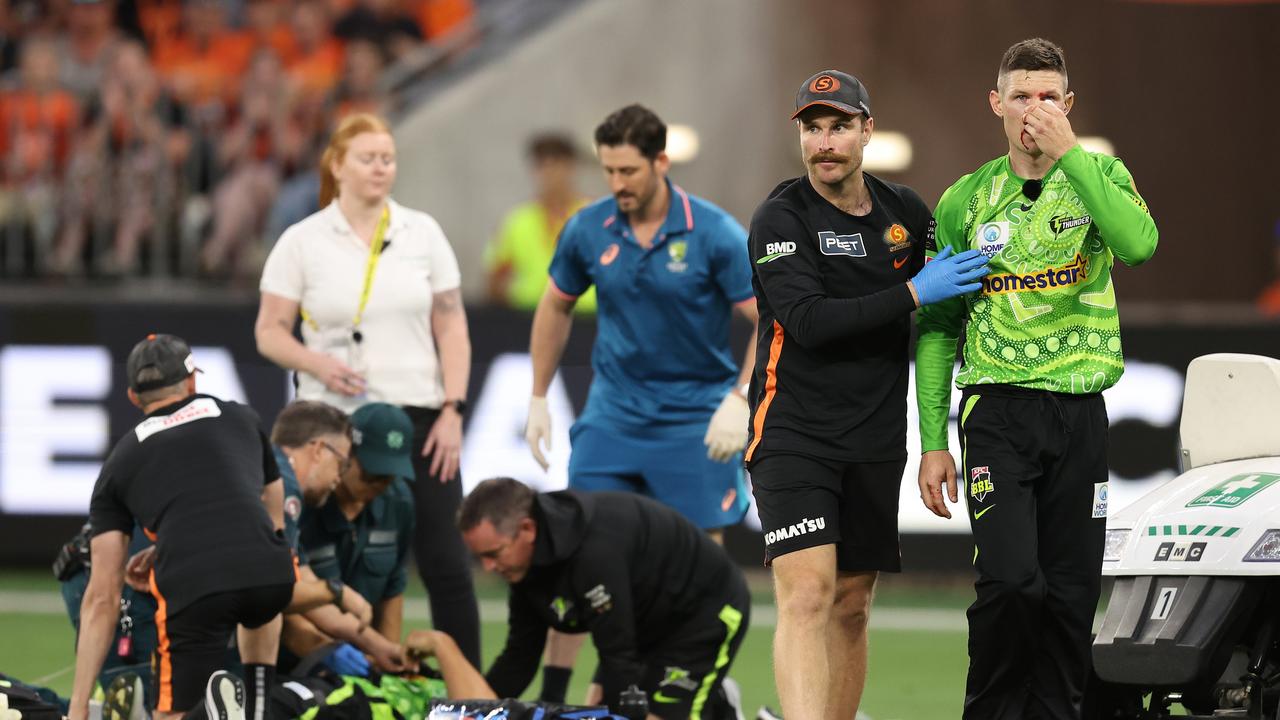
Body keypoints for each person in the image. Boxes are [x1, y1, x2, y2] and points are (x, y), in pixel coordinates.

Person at [915, 38, 1158, 720]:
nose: (1034, 109)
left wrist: (1072, 153)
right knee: (1014, 583)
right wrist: (934, 439)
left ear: (1069, 105)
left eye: (1048, 96)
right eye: (1020, 95)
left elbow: (1139, 246)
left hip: (1080, 413)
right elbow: (936, 326)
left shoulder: (1100, 177)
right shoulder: (967, 198)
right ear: (995, 104)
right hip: (997, 412)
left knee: (1073, 593)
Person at [744, 70, 990, 720]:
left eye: (839, 126)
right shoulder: (780, 217)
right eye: (813, 128)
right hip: (792, 435)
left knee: (851, 606)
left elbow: (948, 315)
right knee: (806, 596)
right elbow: (809, 322)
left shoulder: (905, 214)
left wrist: (939, 437)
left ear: (866, 130)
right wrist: (912, 292)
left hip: (875, 439)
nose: (825, 142)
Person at [524, 104, 757, 702]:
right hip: (613, 416)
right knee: (572, 552)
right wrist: (537, 396)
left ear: (660, 162)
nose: (617, 184)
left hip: (695, 420)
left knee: (701, 561)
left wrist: (740, 397)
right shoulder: (587, 229)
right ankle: (555, 697)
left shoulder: (714, 233)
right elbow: (554, 305)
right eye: (607, 171)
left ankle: (703, 682)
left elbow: (771, 317)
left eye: (628, 171)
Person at [256, 112, 480, 667]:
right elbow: (268, 331)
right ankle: (297, 676)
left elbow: (451, 324)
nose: (381, 168)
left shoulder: (421, 232)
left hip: (417, 415)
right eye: (368, 157)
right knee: (303, 554)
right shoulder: (302, 240)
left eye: (388, 158)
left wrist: (454, 406)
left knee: (445, 559)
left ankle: (475, 697)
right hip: (332, 422)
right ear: (337, 164)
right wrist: (317, 363)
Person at [69, 333, 296, 720]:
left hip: (197, 588)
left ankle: (206, 713)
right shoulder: (241, 416)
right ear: (192, 382)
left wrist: (77, 708)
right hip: (273, 578)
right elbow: (269, 502)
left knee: (171, 715)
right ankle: (257, 706)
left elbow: (102, 597)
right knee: (259, 588)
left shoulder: (120, 461)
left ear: (133, 398)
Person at [459, 477, 750, 720]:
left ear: (527, 529)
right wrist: (471, 714)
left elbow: (618, 657)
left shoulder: (593, 555)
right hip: (641, 618)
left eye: (493, 554)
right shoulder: (525, 563)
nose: (488, 568)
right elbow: (520, 656)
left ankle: (718, 705)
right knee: (602, 704)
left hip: (703, 612)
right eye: (480, 557)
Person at [267, 400, 407, 676]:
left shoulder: (272, 477)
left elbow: (300, 579)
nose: (338, 477)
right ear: (319, 450)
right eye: (341, 463)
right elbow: (271, 590)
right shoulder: (282, 487)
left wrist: (379, 646)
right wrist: (336, 592)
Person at [484, 133, 595, 313]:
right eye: (542, 166)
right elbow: (495, 278)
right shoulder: (517, 221)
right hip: (529, 316)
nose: (550, 174)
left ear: (571, 168)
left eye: (557, 165)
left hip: (586, 318)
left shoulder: (595, 216)